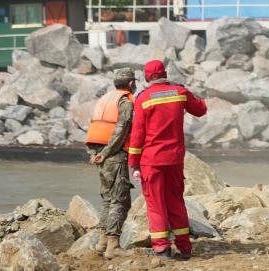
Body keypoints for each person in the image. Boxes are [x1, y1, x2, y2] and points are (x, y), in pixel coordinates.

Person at [128, 60, 207, 259]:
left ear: (147, 77)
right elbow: (201, 109)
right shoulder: (179, 93)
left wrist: (133, 163)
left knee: (155, 204)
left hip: (152, 160)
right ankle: (184, 247)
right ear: (165, 73)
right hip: (175, 159)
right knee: (175, 201)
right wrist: (187, 93)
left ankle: (162, 248)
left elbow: (137, 135)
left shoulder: (143, 98)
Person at [85, 67, 136, 259]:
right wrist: (106, 153)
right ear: (131, 84)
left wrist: (95, 153)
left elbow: (95, 126)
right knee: (120, 200)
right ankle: (113, 246)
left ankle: (102, 242)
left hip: (98, 152)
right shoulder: (125, 101)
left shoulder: (105, 99)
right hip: (113, 155)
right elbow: (121, 130)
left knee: (107, 198)